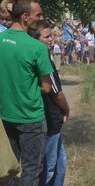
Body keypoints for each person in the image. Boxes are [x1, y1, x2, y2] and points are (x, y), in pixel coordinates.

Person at [0, 0, 53, 186]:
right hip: (31, 118)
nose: (41, 17)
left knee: (7, 169)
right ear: (25, 17)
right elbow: (46, 87)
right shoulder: (37, 47)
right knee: (31, 170)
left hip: (5, 116)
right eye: (37, 14)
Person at [28, 21, 70, 186]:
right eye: (47, 37)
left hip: (52, 119)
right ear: (35, 39)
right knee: (49, 167)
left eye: (51, 35)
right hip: (50, 118)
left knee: (60, 164)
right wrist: (67, 110)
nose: (51, 39)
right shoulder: (43, 57)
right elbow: (57, 94)